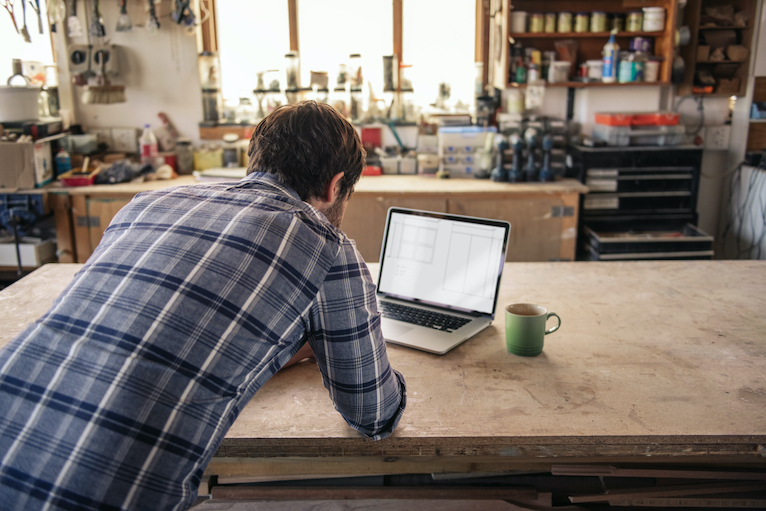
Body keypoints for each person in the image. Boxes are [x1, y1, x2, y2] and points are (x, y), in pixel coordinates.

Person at [0, 101, 406, 511]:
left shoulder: (145, 204)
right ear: (335, 186)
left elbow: (149, 324)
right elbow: (374, 415)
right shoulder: (327, 247)